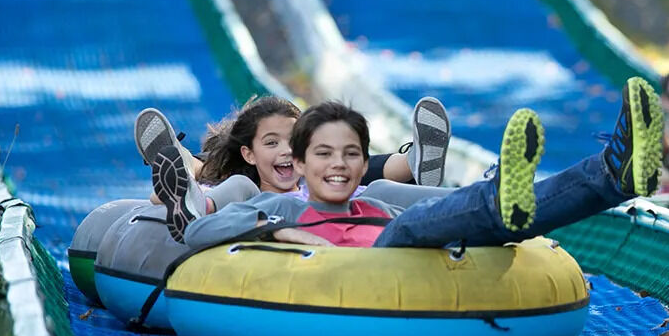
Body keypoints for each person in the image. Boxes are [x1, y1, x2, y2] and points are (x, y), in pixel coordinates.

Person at [152, 77, 665, 249]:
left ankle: (612, 173)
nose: (338, 165)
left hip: (403, 233)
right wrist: (283, 232)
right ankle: (493, 197)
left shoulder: (371, 197)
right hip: (378, 257)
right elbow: (199, 234)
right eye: (323, 154)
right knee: (414, 225)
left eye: (350, 155)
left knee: (475, 213)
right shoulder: (277, 206)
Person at [135, 95, 453, 212]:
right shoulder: (240, 192)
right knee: (234, 182)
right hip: (258, 221)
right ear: (249, 154)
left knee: (370, 184)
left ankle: (448, 193)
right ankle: (183, 166)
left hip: (326, 218)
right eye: (272, 143)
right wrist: (185, 194)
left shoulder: (321, 188)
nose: (287, 150)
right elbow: (159, 198)